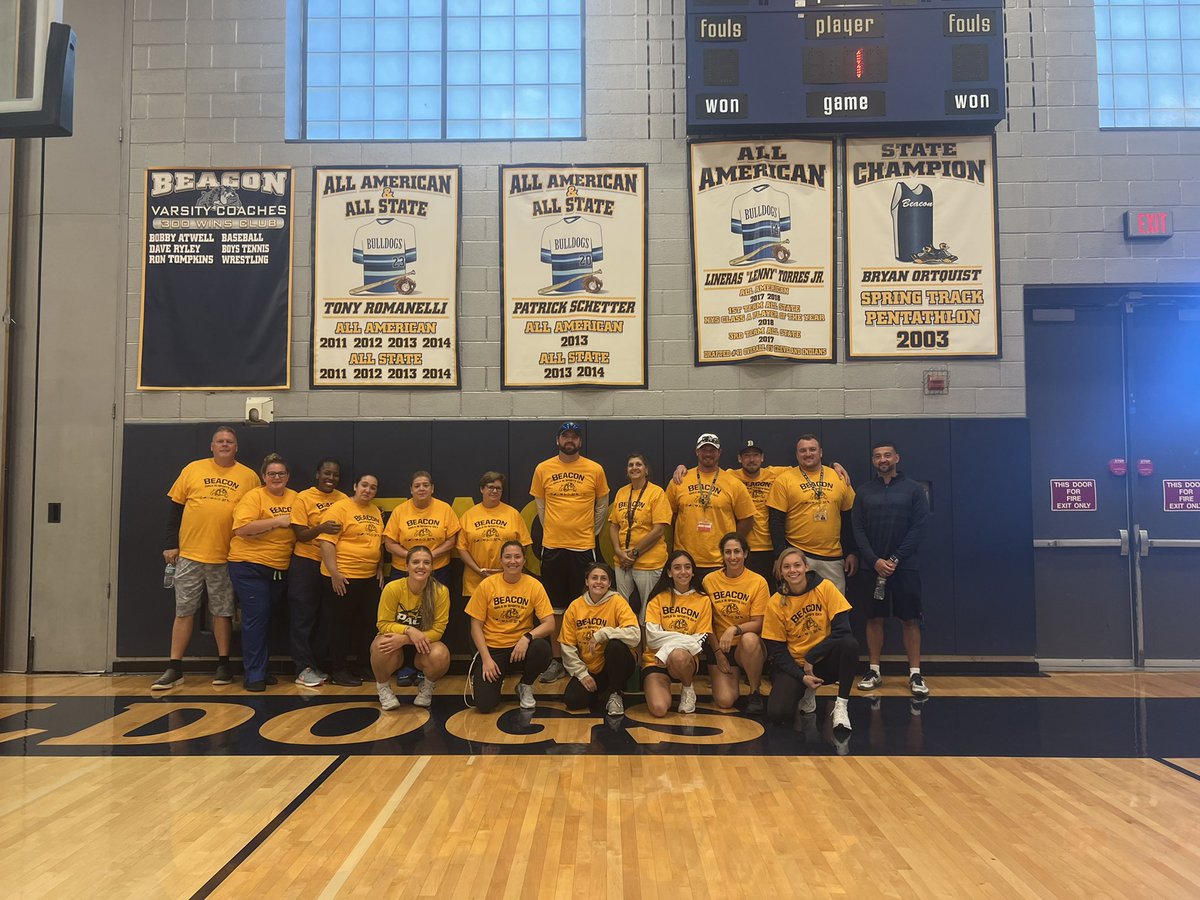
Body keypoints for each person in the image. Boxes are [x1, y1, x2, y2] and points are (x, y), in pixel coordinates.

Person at [154, 426, 259, 690]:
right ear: (211, 446)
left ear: (236, 447)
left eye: (230, 442)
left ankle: (223, 664)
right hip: (189, 553)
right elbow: (174, 511)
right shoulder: (193, 469)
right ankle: (174, 667)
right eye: (220, 441)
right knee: (184, 610)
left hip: (225, 556)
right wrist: (171, 544)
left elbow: (254, 514)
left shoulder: (248, 477)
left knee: (222, 611)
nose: (225, 445)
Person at [529, 421, 609, 683]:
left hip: (583, 549)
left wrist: (587, 533)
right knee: (554, 609)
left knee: (584, 607)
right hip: (552, 548)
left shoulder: (595, 469)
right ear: (558, 440)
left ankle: (583, 659)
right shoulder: (543, 468)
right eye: (566, 436)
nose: (570, 440)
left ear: (580, 441)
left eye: (574, 436)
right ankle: (556, 661)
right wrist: (555, 529)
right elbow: (541, 508)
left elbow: (601, 507)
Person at [851, 441, 931, 697]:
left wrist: (895, 558)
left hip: (905, 567)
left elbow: (918, 528)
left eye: (887, 455)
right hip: (871, 567)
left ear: (897, 457)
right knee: (874, 618)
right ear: (873, 461)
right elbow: (858, 530)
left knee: (910, 619)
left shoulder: (913, 490)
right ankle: (874, 670)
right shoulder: (864, 492)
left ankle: (915, 674)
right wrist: (874, 560)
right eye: (877, 456)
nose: (883, 459)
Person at [762, 547, 859, 731]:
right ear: (780, 572)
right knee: (778, 714)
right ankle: (807, 689)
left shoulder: (826, 588)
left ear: (806, 567)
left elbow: (843, 630)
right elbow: (778, 651)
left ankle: (841, 706)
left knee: (850, 645)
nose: (793, 570)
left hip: (823, 661)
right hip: (796, 666)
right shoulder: (775, 602)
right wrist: (802, 676)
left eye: (797, 565)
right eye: (787, 567)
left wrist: (811, 657)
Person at [226, 453, 297, 692]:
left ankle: (261, 668)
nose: (276, 477)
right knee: (256, 618)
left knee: (266, 618)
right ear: (264, 477)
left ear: (288, 476)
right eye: (271, 474)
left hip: (278, 569)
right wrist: (277, 521)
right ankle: (253, 674)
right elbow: (242, 529)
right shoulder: (254, 496)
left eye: (281, 473)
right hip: (249, 565)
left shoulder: (296, 498)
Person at [466, 541, 555, 712]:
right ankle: (490, 680)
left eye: (517, 557)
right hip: (493, 650)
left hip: (519, 650)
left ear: (524, 561)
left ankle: (525, 685)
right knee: (485, 705)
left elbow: (549, 624)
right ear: (501, 561)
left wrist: (527, 637)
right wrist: (486, 659)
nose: (512, 561)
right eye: (507, 557)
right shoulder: (487, 585)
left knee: (541, 648)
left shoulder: (534, 585)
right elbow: (475, 626)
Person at [316, 473, 386, 687]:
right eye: (364, 485)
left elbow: (378, 544)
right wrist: (335, 573)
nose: (368, 490)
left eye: (373, 487)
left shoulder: (375, 511)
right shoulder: (339, 508)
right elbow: (327, 542)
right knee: (340, 626)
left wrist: (380, 568)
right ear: (355, 486)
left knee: (366, 625)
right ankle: (339, 670)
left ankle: (363, 666)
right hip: (343, 577)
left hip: (368, 578)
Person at [767, 434, 858, 593]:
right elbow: (776, 522)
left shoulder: (839, 477)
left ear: (821, 452)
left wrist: (851, 552)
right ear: (797, 455)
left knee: (835, 610)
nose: (808, 454)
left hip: (833, 557)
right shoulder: (784, 480)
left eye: (812, 449)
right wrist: (780, 557)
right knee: (799, 608)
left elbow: (849, 519)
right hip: (798, 556)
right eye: (803, 451)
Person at [288, 457, 347, 687]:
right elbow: (300, 534)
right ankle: (303, 668)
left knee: (327, 617)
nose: (331, 478)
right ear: (317, 474)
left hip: (331, 565)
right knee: (303, 616)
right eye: (327, 473)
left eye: (335, 475)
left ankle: (319, 665)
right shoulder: (304, 497)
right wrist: (321, 528)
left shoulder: (343, 500)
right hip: (306, 563)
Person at [370, 546, 451, 710]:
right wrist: (409, 631)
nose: (421, 566)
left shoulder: (440, 591)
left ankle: (427, 688)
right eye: (416, 562)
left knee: (441, 654)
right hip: (395, 646)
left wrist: (407, 639)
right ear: (406, 566)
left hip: (423, 647)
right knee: (380, 646)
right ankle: (384, 689)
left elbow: (438, 630)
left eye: (426, 562)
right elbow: (383, 624)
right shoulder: (393, 588)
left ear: (432, 567)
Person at [665, 433, 755, 581]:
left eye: (712, 450)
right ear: (697, 452)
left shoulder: (733, 483)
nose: (708, 454)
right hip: (686, 561)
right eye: (704, 449)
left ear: (719, 453)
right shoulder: (679, 480)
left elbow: (747, 519)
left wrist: (730, 543)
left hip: (720, 561)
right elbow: (671, 515)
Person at [560, 562, 641, 716]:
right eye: (594, 578)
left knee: (615, 646)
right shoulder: (575, 606)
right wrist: (581, 673)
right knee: (573, 701)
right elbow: (566, 645)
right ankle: (604, 689)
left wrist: (604, 634)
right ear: (587, 581)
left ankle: (615, 693)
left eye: (603, 578)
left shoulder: (617, 602)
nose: (598, 582)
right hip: (590, 668)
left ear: (610, 583)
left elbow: (635, 635)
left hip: (617, 663)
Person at [702, 532, 770, 715]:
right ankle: (732, 676)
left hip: (746, 645)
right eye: (728, 552)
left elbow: (759, 623)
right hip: (720, 647)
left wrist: (734, 629)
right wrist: (717, 653)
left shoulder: (758, 582)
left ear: (745, 554)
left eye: (737, 552)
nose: (733, 557)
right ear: (722, 555)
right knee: (725, 701)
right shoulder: (709, 581)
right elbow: (705, 623)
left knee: (749, 639)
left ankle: (754, 691)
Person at [642, 550, 712, 717]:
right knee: (659, 709)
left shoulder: (703, 600)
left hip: (684, 662)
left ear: (693, 571)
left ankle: (688, 688)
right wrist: (683, 640)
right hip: (655, 661)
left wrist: (669, 648)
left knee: (678, 655)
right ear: (669, 572)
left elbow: (699, 640)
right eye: (677, 568)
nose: (683, 572)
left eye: (687, 567)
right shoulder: (657, 599)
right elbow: (652, 638)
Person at [607, 452, 671, 618]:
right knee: (624, 611)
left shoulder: (657, 493)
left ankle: (647, 645)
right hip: (622, 561)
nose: (634, 468)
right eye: (631, 465)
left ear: (646, 470)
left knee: (647, 611)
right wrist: (618, 551)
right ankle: (631, 644)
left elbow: (658, 530)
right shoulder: (621, 492)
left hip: (649, 562)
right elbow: (614, 525)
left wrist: (635, 553)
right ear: (627, 471)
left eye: (638, 464)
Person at [458, 471, 532, 600]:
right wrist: (478, 570)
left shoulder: (513, 514)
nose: (494, 491)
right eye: (490, 487)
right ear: (482, 489)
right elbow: (461, 548)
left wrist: (508, 568)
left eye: (498, 488)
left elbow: (523, 545)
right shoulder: (468, 515)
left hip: (507, 580)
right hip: (475, 581)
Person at [383, 471, 461, 586]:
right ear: (411, 490)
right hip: (404, 569)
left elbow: (451, 541)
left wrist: (430, 556)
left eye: (426, 485)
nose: (421, 488)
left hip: (437, 569)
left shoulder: (445, 509)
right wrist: (412, 556)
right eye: (417, 486)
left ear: (432, 488)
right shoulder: (399, 511)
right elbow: (389, 544)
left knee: (436, 603)